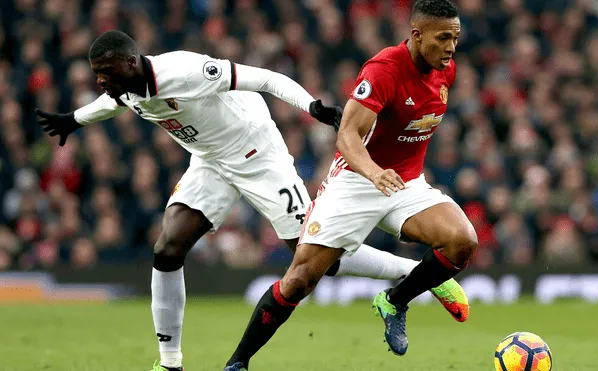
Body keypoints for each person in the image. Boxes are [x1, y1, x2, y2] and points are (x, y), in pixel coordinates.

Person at [36, 30, 469, 371]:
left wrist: (312, 106)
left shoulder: (186, 70)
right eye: (98, 73)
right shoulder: (124, 87)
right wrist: (72, 120)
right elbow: (111, 104)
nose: (101, 81)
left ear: (130, 63)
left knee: (320, 261)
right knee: (167, 250)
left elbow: (263, 78)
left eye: (106, 72)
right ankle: (170, 364)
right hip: (208, 162)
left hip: (258, 154)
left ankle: (415, 273)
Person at [223, 1, 475, 370]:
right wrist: (373, 172)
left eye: (455, 38)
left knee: (462, 241)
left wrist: (394, 174)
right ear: (417, 36)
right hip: (357, 181)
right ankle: (237, 363)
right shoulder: (384, 70)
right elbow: (346, 135)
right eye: (443, 38)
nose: (451, 47)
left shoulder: (445, 71)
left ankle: (395, 301)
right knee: (300, 279)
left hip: (405, 184)